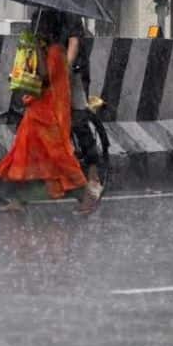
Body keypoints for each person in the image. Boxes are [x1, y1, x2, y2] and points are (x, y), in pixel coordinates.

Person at [0, 10, 88, 211]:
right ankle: (18, 199)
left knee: (58, 157)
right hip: (38, 110)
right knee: (24, 153)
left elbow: (44, 77)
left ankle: (84, 193)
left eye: (38, 25)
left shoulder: (55, 52)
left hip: (49, 113)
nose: (36, 29)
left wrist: (35, 48)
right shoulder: (46, 50)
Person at [63, 12, 104, 215]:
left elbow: (74, 44)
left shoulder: (70, 16)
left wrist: (65, 67)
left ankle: (94, 176)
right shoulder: (40, 16)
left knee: (78, 121)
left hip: (74, 73)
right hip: (52, 75)